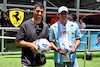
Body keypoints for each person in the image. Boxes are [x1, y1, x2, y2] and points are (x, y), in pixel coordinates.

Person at [15, 2, 49, 67]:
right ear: (33, 11)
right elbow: (17, 41)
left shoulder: (45, 26)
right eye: (37, 11)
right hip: (27, 62)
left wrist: (47, 47)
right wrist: (30, 45)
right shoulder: (25, 25)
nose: (39, 13)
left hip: (40, 62)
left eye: (41, 12)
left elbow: (47, 41)